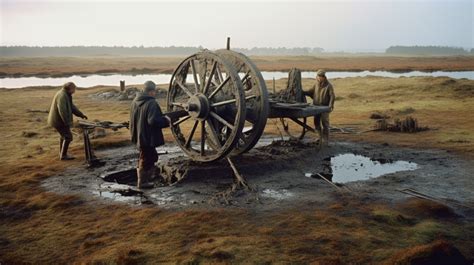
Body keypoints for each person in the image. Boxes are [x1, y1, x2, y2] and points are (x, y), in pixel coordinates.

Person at [130, 81, 171, 189]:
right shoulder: (151, 103)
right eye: (154, 91)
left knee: (150, 156)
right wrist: (166, 121)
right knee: (146, 158)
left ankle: (149, 177)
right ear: (151, 91)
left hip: (139, 134)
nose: (155, 94)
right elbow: (153, 121)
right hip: (148, 136)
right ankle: (142, 183)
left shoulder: (135, 101)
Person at [47, 82, 88, 160]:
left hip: (59, 121)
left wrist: (81, 115)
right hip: (59, 121)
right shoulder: (62, 96)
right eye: (74, 89)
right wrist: (67, 122)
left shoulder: (66, 94)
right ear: (70, 88)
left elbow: (71, 107)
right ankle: (63, 155)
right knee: (68, 137)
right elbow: (62, 111)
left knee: (64, 136)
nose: (74, 91)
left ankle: (62, 153)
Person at [304, 69, 335, 146]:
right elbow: (310, 92)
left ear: (324, 77)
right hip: (316, 107)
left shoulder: (328, 86)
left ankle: (326, 140)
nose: (319, 78)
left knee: (325, 124)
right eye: (318, 76)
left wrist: (330, 105)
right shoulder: (316, 84)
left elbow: (332, 96)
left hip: (324, 108)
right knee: (316, 123)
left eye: (321, 76)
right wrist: (303, 92)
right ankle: (319, 137)